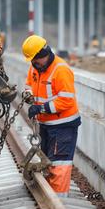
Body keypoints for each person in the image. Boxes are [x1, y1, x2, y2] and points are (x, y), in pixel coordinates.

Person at [22, 35, 81, 197]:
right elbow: (29, 85)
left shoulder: (60, 70)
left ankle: (59, 202)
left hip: (63, 126)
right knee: (48, 163)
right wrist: (28, 95)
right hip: (47, 125)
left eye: (35, 60)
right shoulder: (35, 67)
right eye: (32, 61)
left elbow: (67, 101)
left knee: (59, 165)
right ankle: (50, 196)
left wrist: (41, 108)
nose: (34, 64)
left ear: (44, 53)